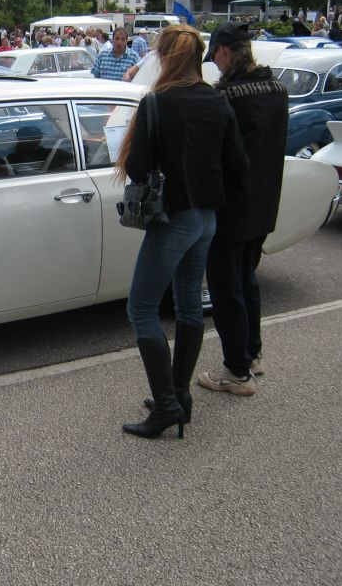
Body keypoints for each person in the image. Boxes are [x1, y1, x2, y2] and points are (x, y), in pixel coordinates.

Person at [118, 25, 248, 439]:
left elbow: (138, 168)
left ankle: (167, 405)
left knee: (141, 309)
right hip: (206, 218)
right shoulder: (217, 99)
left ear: (166, 58)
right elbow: (238, 165)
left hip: (174, 218)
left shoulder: (157, 102)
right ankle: (178, 394)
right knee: (189, 305)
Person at [197, 22, 289, 397]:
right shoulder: (278, 89)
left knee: (225, 288)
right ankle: (252, 354)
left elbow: (213, 154)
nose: (216, 66)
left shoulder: (226, 96)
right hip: (264, 203)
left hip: (230, 206)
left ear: (223, 51)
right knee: (247, 280)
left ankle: (236, 371)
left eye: (216, 59)